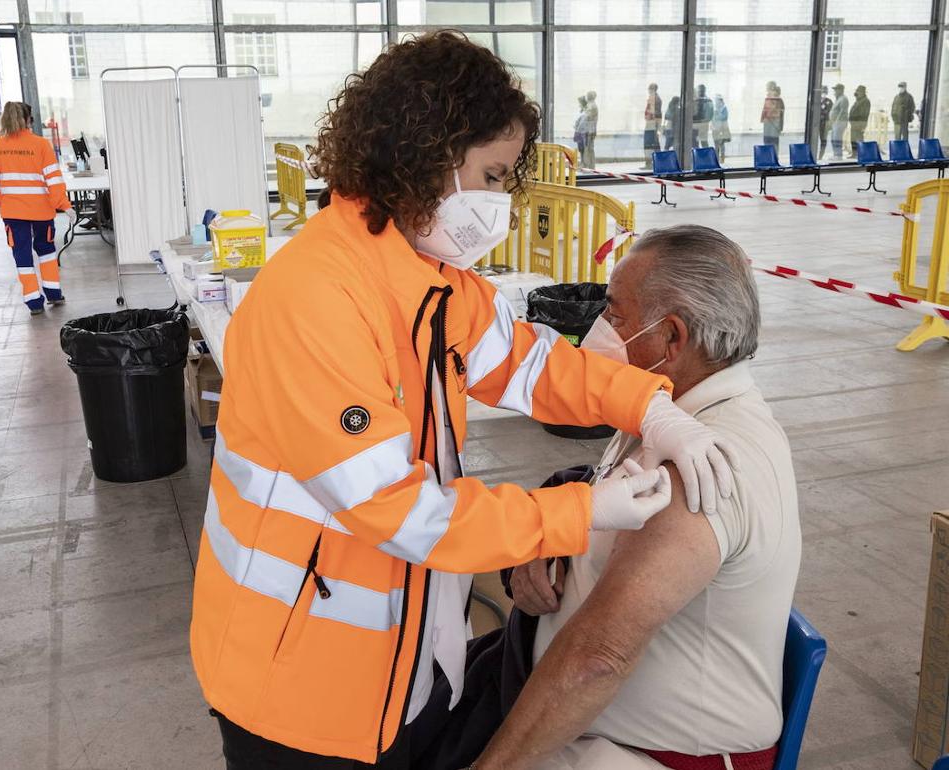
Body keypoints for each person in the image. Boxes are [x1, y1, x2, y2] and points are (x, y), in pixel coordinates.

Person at [189, 31, 736, 769]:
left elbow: (533, 366)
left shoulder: (432, 282)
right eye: (491, 174)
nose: (499, 201)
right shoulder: (315, 299)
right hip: (298, 690)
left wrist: (651, 407)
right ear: (427, 154)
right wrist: (579, 512)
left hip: (399, 667)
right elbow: (399, 511)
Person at [422, 226, 801, 770]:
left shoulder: (700, 468)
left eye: (615, 313)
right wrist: (550, 539)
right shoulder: (670, 413)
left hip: (637, 751)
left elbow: (599, 658)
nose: (600, 327)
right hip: (567, 706)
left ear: (671, 338)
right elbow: (599, 490)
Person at [0, 102, 74, 316]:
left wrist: (0, 204)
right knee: (46, 252)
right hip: (41, 211)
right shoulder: (41, 144)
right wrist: (65, 205)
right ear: (28, 120)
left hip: (13, 213)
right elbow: (54, 180)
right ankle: (54, 294)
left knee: (22, 255)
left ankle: (34, 302)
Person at [642, 83, 662, 169]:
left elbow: (656, 113)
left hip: (652, 125)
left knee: (649, 144)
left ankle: (649, 163)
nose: (648, 91)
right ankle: (658, 162)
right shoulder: (654, 98)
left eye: (650, 89)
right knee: (654, 144)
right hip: (652, 124)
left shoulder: (654, 99)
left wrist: (650, 117)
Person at [761, 81, 784, 150]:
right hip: (775, 122)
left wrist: (762, 118)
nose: (766, 88)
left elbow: (765, 110)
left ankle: (769, 155)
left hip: (769, 122)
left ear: (770, 87)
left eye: (767, 86)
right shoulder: (779, 99)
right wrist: (781, 126)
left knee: (767, 142)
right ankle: (774, 155)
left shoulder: (769, 98)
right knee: (774, 142)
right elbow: (782, 113)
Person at [849, 85, 871, 157]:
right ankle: (854, 153)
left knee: (859, 138)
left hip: (859, 123)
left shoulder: (865, 101)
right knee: (853, 139)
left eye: (859, 91)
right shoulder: (858, 100)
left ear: (863, 92)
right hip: (854, 123)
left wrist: (862, 124)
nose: (857, 92)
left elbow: (864, 113)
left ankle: (861, 153)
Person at [829, 83, 850, 159]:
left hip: (840, 122)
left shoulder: (843, 99)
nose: (835, 91)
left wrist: (837, 121)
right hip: (835, 123)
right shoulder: (838, 98)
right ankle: (835, 154)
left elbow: (842, 111)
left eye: (836, 89)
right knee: (833, 139)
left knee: (837, 139)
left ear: (841, 90)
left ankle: (838, 155)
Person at [692, 84, 713, 149]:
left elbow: (710, 114)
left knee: (700, 142)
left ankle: (703, 154)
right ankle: (703, 154)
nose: (699, 92)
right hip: (702, 124)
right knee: (701, 142)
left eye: (699, 90)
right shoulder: (707, 100)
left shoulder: (702, 101)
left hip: (699, 124)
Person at [710, 94, 730, 162]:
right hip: (715, 129)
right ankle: (716, 158)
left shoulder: (724, 108)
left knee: (721, 144)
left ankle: (722, 157)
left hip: (722, 129)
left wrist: (717, 115)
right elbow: (712, 118)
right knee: (716, 144)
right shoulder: (714, 109)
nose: (716, 102)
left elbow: (724, 117)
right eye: (716, 100)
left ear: (721, 101)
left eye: (717, 100)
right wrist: (712, 125)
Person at [582, 91, 598, 167]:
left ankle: (590, 165)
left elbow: (588, 117)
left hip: (589, 130)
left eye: (587, 95)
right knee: (588, 148)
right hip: (589, 130)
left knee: (589, 149)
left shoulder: (592, 105)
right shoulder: (590, 105)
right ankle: (589, 165)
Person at [818, 86, 833, 158]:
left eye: (825, 92)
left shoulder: (829, 101)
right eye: (822, 92)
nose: (823, 93)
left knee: (823, 139)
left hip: (824, 123)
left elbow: (828, 112)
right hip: (816, 124)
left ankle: (821, 155)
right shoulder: (817, 100)